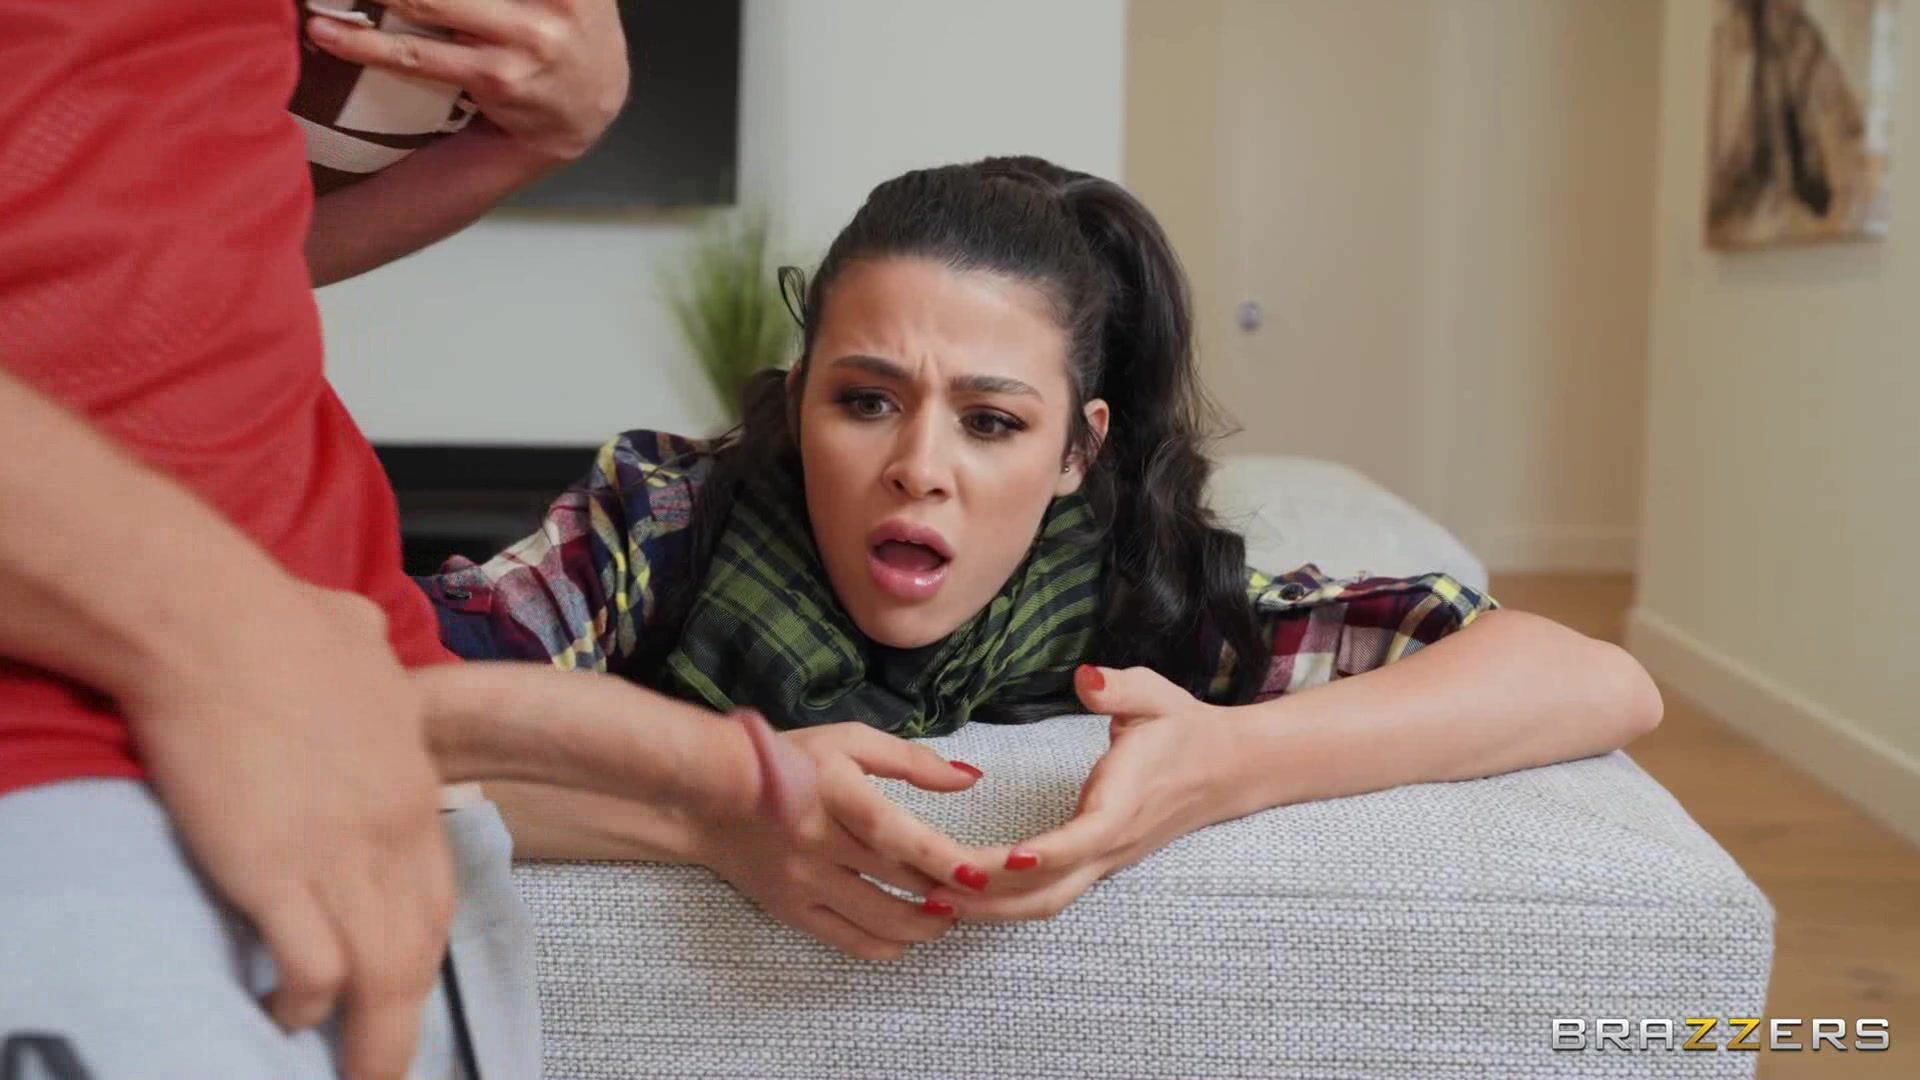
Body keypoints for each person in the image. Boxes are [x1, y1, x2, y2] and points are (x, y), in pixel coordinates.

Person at [416, 156, 1667, 959]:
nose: (920, 465)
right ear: (798, 403)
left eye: (993, 421)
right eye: (864, 401)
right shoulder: (661, 524)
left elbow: (1596, 679)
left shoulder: (1133, 587)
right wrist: (706, 811)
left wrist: (1225, 764)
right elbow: (370, 715)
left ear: (1077, 450)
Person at [0, 3, 852, 1078]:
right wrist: (223, 640)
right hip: (79, 796)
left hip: (372, 802)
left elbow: (175, 261)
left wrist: (691, 816)